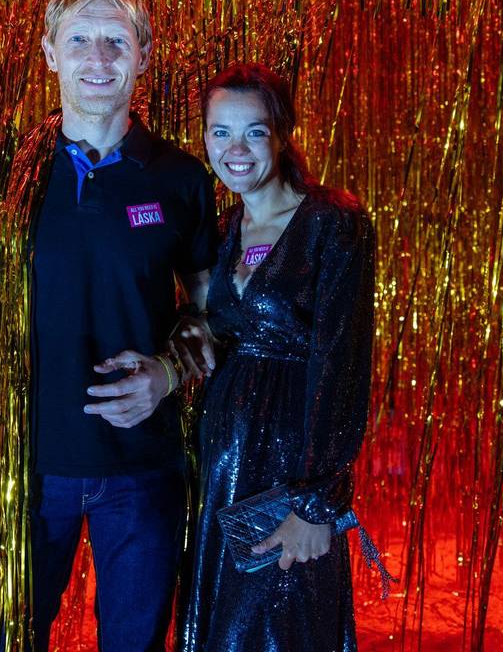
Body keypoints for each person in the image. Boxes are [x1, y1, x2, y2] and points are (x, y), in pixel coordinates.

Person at [0, 0, 218, 651]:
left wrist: (169, 373)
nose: (98, 58)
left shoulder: (180, 178)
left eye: (117, 41)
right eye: (80, 39)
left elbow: (210, 314)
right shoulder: (1, 173)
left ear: (145, 55)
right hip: (30, 470)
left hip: (144, 473)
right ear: (51, 53)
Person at [177, 63, 377, 650]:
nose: (235, 150)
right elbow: (216, 332)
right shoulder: (224, 229)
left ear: (282, 133)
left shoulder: (333, 223)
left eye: (255, 132)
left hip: (289, 466)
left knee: (282, 624)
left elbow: (342, 364)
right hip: (221, 462)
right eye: (220, 132)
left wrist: (316, 503)